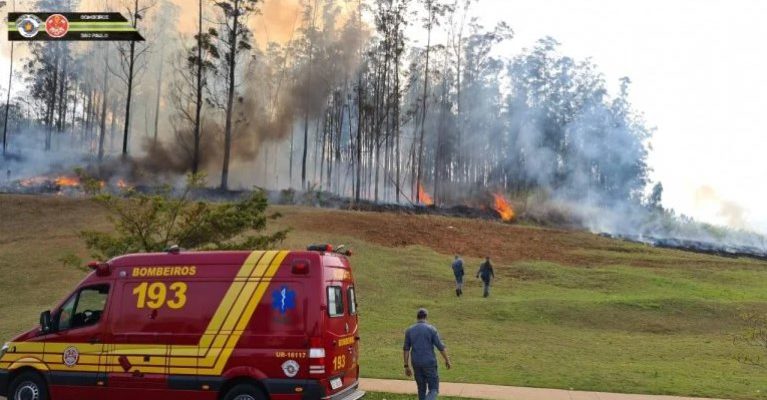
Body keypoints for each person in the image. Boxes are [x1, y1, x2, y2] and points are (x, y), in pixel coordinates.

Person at [403, 308, 451, 400]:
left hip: (416, 362)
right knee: (434, 389)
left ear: (417, 317)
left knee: (421, 389)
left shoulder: (409, 330)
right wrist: (447, 360)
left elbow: (406, 349)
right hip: (429, 362)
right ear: (426, 317)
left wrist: (406, 366)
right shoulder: (431, 329)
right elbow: (440, 346)